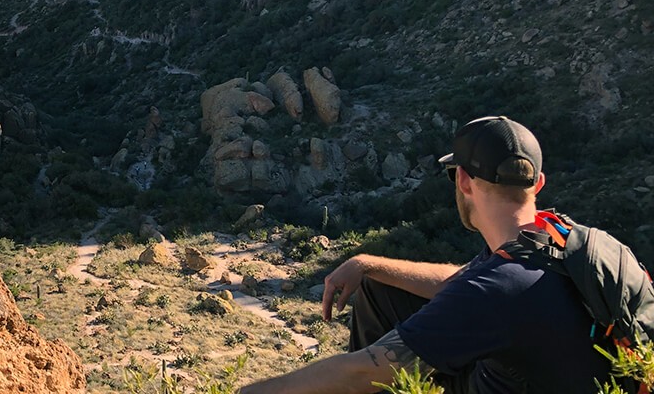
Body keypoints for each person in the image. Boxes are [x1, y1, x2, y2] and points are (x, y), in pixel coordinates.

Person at [240, 116, 613, 394]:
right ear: (539, 184)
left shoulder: (499, 288)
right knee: (379, 287)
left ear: (464, 181)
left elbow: (361, 371)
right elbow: (464, 284)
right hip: (545, 375)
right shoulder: (559, 239)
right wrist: (368, 263)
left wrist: (248, 392)